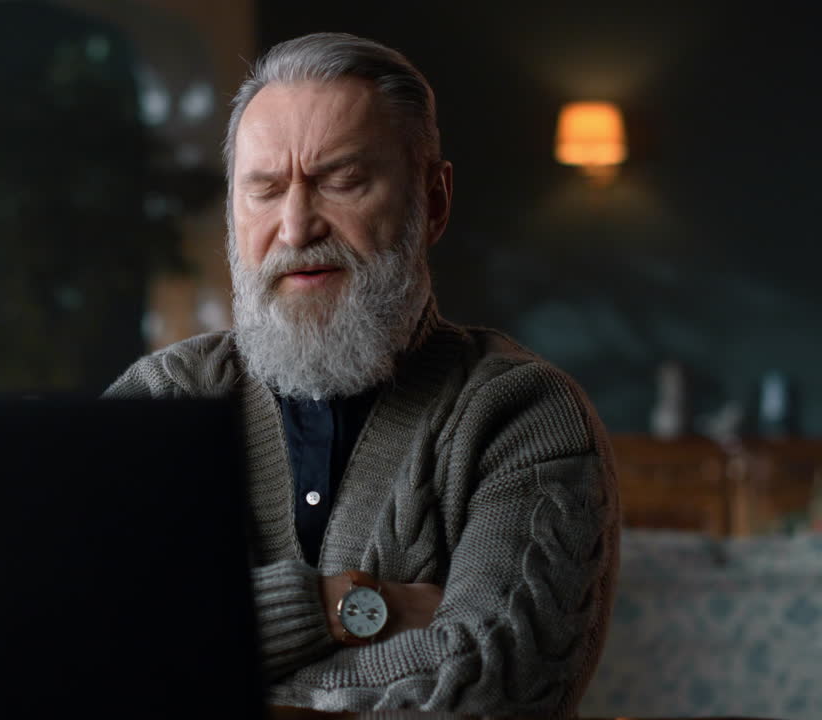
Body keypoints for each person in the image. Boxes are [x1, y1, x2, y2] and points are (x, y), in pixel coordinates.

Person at [105, 32, 619, 716]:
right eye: (263, 191)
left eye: (341, 181)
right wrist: (345, 607)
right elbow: (61, 640)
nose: (293, 228)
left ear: (431, 200)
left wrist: (202, 673)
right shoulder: (162, 400)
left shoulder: (524, 415)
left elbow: (496, 686)